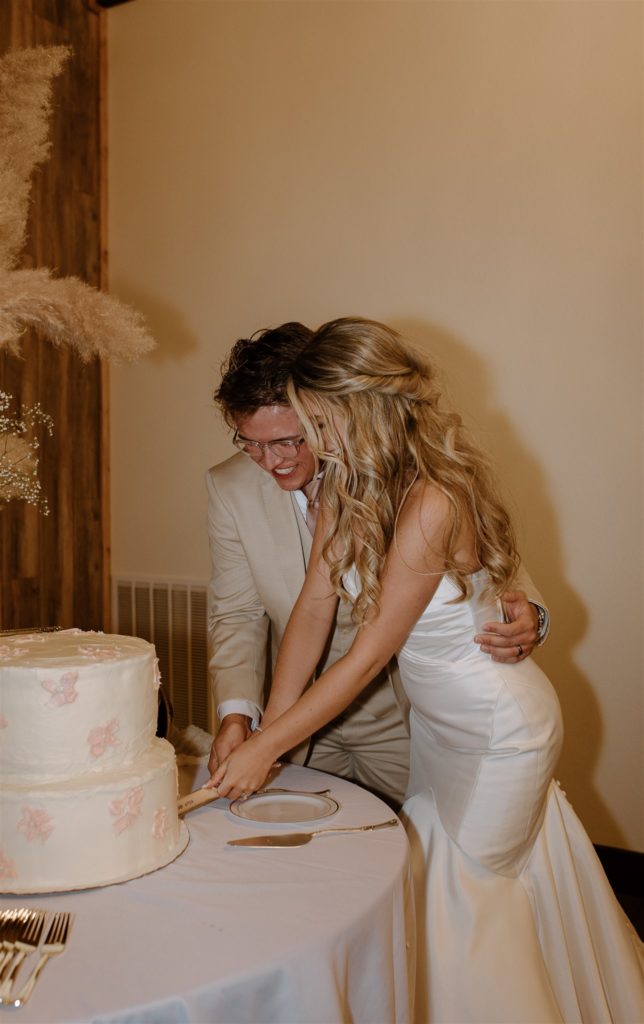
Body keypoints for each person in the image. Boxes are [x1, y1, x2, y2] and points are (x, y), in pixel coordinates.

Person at [210, 318, 644, 1023]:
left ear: (362, 411)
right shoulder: (342, 487)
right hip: (441, 730)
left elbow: (371, 653)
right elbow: (311, 614)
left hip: (498, 730)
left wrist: (266, 748)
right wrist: (272, 731)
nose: (311, 446)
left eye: (317, 424)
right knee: (450, 890)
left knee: (465, 902)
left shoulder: (436, 498)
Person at [207, 323, 547, 808]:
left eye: (296, 437)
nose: (272, 460)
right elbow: (302, 609)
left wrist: (533, 613)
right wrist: (262, 728)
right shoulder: (337, 483)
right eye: (251, 443)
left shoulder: (432, 497)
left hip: (431, 716)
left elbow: (489, 576)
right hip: (312, 717)